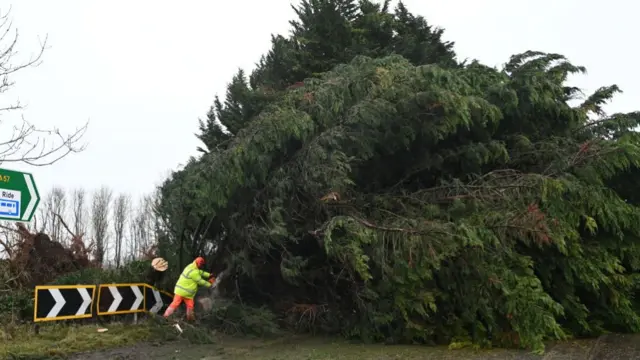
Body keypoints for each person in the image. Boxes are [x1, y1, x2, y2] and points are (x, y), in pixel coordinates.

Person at [163, 256, 215, 321]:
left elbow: (200, 272)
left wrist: (209, 275)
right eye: (201, 264)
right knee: (179, 304)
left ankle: (188, 319)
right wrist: (210, 284)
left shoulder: (191, 266)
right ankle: (166, 316)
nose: (201, 266)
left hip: (184, 293)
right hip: (183, 292)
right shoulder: (194, 272)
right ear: (198, 263)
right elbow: (200, 281)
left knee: (186, 306)